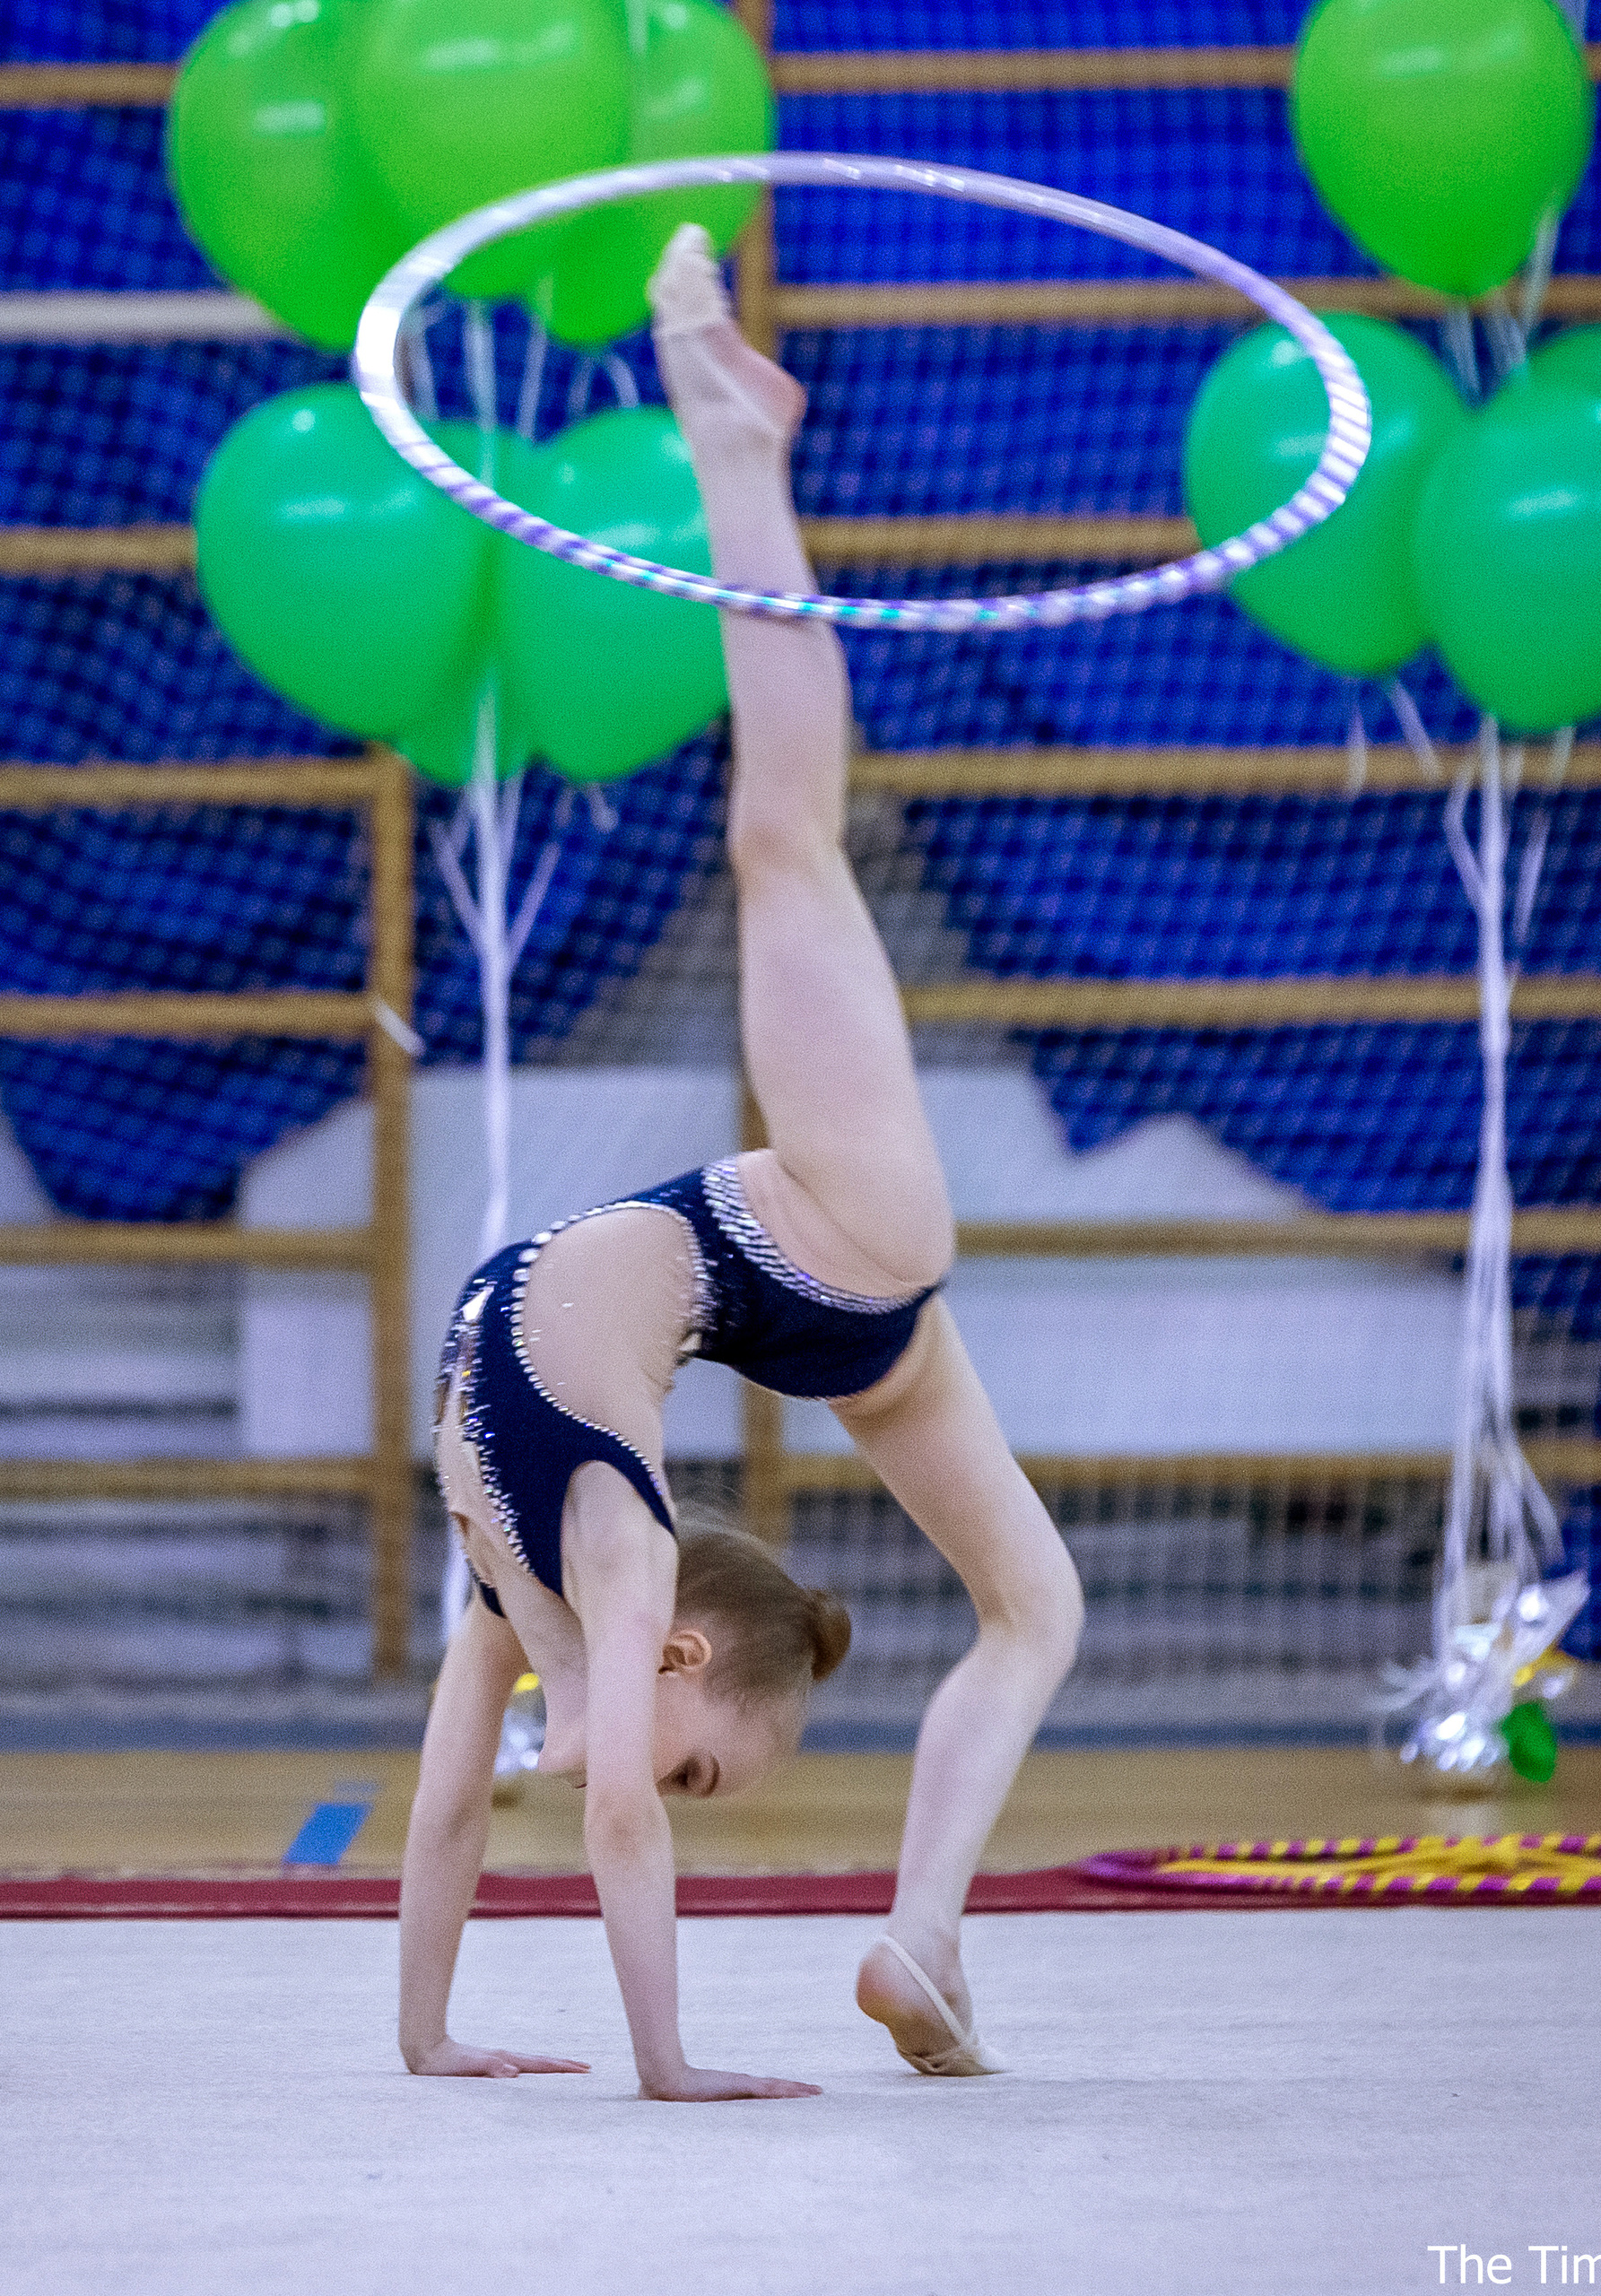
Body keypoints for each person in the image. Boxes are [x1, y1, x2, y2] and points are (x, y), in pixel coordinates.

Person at [396, 225, 1084, 2102]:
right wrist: (561, 2051)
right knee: (780, 839)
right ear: (690, 1640)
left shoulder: (536, 1578)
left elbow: (519, 1790)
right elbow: (543, 1794)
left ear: (677, 1645)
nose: (654, 1766)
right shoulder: (572, 1569)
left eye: (697, 1760)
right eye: (702, 1757)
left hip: (797, 1265)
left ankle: (918, 1937)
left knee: (788, 837)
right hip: (803, 1258)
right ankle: (725, 443)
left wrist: (554, 2050)